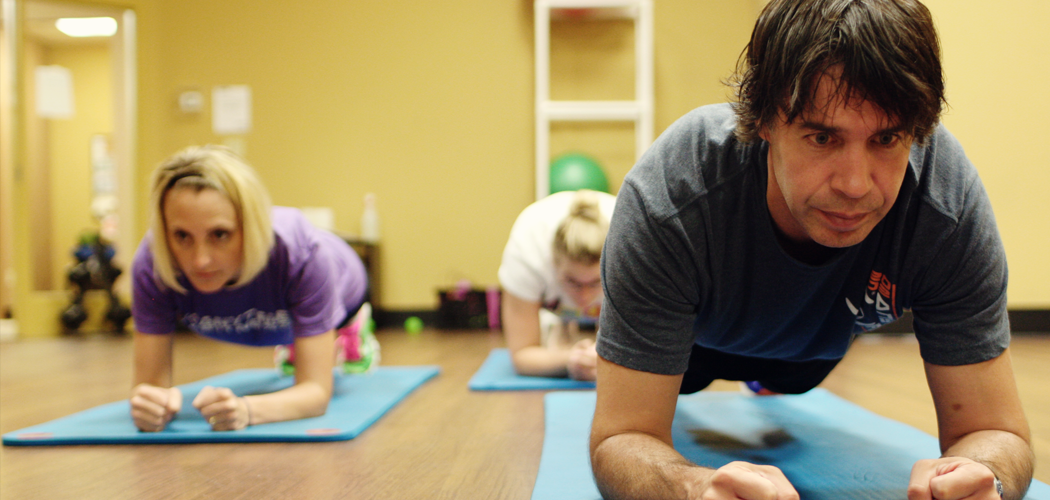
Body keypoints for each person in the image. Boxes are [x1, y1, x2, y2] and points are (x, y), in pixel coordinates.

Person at [589, 0, 1034, 499]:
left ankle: (766, 377)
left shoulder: (945, 210)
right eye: (823, 137)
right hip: (695, 338)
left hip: (814, 347)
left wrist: (984, 478)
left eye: (887, 138)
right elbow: (623, 436)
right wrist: (694, 489)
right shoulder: (672, 196)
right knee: (677, 381)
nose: (855, 185)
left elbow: (996, 431)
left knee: (791, 380)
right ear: (763, 121)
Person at [129, 145, 375, 432]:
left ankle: (344, 331)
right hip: (271, 313)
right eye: (182, 236)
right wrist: (151, 406)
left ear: (250, 225)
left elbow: (317, 394)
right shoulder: (152, 264)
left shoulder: (304, 255)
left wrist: (247, 410)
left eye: (220, 234)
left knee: (320, 346)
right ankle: (301, 342)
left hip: (344, 284)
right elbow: (149, 388)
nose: (200, 260)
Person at [499, 189, 616, 381]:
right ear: (553, 263)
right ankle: (563, 327)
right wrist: (572, 359)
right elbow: (522, 355)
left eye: (596, 282)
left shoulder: (635, 253)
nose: (584, 296)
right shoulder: (528, 252)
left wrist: (606, 357)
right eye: (572, 282)